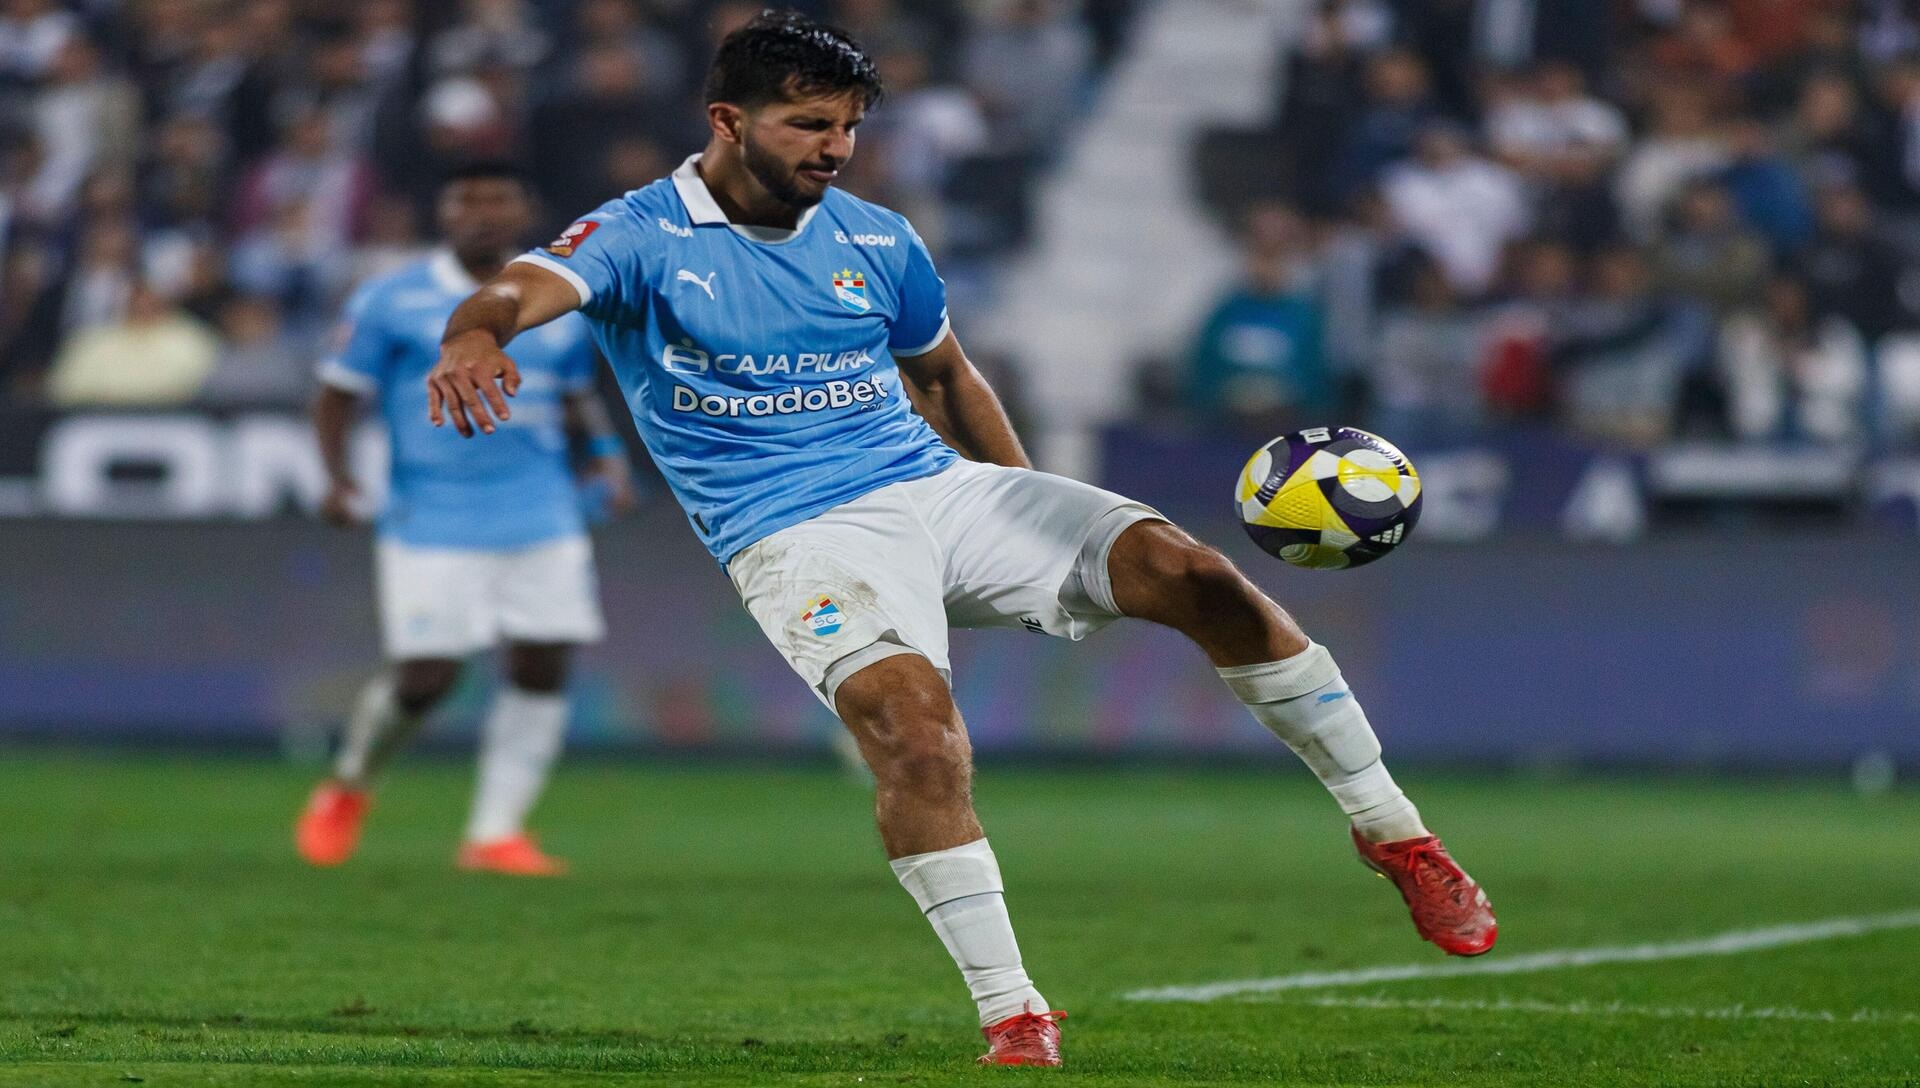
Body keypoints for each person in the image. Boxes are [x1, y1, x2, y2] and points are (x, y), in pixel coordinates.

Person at [423, 11, 1494, 1067]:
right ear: (727, 120)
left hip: (938, 487)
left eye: (845, 126)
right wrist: (473, 337)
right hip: (794, 532)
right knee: (914, 734)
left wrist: (1028, 511)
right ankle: (1016, 1012)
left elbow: (942, 377)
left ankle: (1393, 830)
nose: (833, 148)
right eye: (805, 124)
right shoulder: (640, 235)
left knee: (1197, 573)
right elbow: (517, 290)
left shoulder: (877, 237)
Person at [294, 161, 635, 877]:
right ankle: (350, 783)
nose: (483, 213)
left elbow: (576, 393)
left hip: (543, 507)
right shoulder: (392, 299)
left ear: (525, 210)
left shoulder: (553, 296)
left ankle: (494, 832)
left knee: (544, 660)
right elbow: (337, 392)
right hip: (433, 512)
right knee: (427, 677)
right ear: (443, 214)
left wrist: (605, 457)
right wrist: (336, 477)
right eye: (467, 201)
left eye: (498, 199)